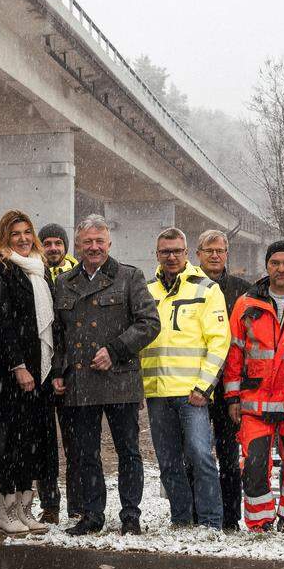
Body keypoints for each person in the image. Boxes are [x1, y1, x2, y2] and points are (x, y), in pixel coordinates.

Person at [52, 215, 160, 536]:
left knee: (128, 451)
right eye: (88, 242)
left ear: (109, 244)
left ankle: (130, 514)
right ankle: (92, 514)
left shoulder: (129, 277)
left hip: (120, 380)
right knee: (86, 453)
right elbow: (59, 333)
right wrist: (58, 371)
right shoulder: (64, 282)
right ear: (79, 245)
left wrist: (115, 350)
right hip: (80, 382)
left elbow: (149, 323)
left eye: (100, 241)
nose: (94, 247)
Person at [223, 241, 284, 531]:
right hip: (255, 401)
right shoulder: (246, 303)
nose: (280, 268)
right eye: (275, 262)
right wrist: (232, 397)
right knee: (253, 467)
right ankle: (259, 523)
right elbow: (234, 353)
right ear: (267, 266)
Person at [140, 228, 229, 530]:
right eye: (165, 251)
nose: (171, 256)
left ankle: (210, 521)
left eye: (177, 251)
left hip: (193, 393)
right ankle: (181, 519)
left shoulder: (206, 289)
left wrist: (204, 387)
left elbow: (219, 342)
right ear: (157, 254)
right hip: (157, 392)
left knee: (201, 457)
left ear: (187, 253)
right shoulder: (146, 290)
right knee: (168, 462)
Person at [0, 211, 60, 535]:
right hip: (11, 373)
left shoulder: (39, 271)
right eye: (16, 234)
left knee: (33, 441)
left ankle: (26, 510)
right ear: (5, 237)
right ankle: (7, 512)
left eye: (28, 232)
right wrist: (18, 366)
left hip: (38, 370)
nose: (24, 238)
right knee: (11, 441)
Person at [192, 229, 251, 530]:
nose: (215, 255)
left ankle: (230, 518)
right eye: (208, 250)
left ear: (227, 254)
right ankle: (196, 514)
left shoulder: (243, 290)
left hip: (230, 387)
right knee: (196, 454)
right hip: (195, 385)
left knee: (229, 456)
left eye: (220, 250)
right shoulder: (187, 287)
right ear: (198, 253)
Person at [37, 222, 80, 524]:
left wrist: (63, 367)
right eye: (48, 243)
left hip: (70, 371)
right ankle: (49, 504)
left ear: (65, 247)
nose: (53, 248)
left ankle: (77, 504)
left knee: (75, 443)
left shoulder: (78, 277)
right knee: (44, 444)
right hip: (41, 371)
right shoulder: (32, 274)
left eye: (58, 243)